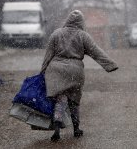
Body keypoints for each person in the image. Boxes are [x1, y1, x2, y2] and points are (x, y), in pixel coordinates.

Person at [41, 10, 118, 142]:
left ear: (67, 20)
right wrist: (110, 65)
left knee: (60, 99)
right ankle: (76, 129)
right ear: (81, 22)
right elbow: (96, 52)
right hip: (75, 71)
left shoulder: (56, 34)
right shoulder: (83, 36)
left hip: (56, 70)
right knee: (74, 101)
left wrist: (42, 71)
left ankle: (57, 128)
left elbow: (48, 54)